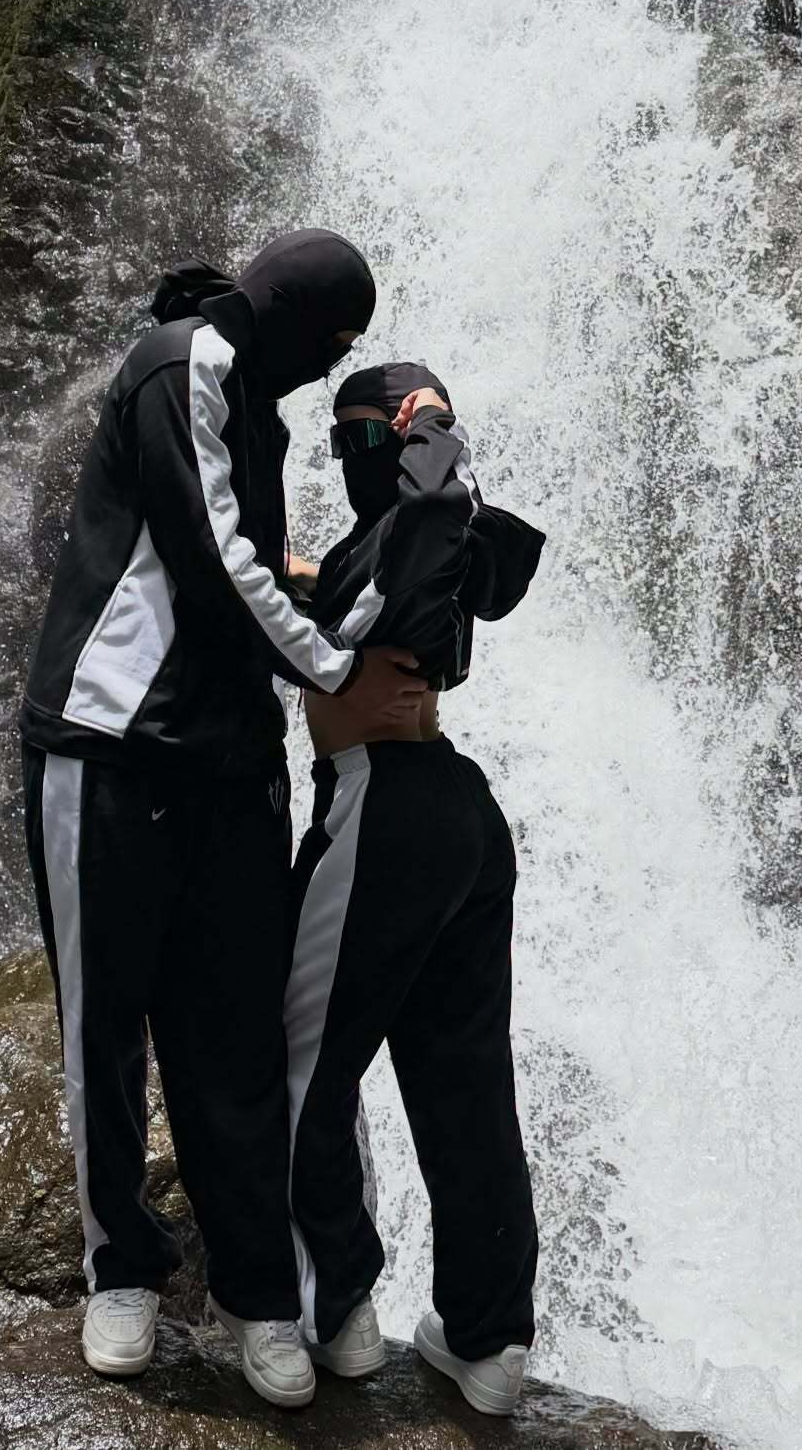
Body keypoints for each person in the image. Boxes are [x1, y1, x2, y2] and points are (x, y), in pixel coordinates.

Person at [17, 232, 428, 1407]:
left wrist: (344, 584)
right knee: (105, 1023)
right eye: (335, 341)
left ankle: (262, 1294)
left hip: (232, 766)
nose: (331, 363)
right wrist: (336, 665)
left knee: (239, 1034)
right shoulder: (181, 359)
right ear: (302, 318)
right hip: (106, 747)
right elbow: (211, 554)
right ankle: (121, 1270)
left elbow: (253, 558)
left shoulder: (258, 402)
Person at [282, 360, 545, 1416]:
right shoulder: (423, 548)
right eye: (341, 442)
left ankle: (333, 1309)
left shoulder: (425, 519)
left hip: (378, 805)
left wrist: (432, 431)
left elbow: (428, 515)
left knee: (295, 1062)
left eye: (367, 438)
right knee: (463, 1081)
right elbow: (404, 566)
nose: (352, 458)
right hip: (460, 814)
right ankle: (487, 1338)